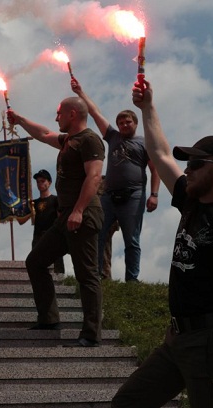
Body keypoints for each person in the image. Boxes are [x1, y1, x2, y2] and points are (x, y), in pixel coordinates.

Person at [110, 79, 213, 408]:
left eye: (195, 163)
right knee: (127, 406)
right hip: (177, 340)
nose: (187, 169)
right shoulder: (192, 201)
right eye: (187, 163)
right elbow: (160, 154)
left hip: (211, 342)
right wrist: (147, 108)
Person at [7, 97, 105, 347]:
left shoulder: (90, 140)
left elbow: (94, 177)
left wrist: (79, 211)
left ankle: (91, 334)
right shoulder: (68, 140)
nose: (56, 117)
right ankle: (49, 318)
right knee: (36, 262)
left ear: (72, 114)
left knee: (86, 275)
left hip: (83, 214)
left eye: (59, 113)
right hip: (66, 216)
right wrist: (19, 120)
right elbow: (44, 133)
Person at [72, 78, 160, 282]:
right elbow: (95, 113)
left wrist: (154, 195)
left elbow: (156, 170)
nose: (123, 125)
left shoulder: (144, 143)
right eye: (120, 123)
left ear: (135, 123)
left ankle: (132, 279)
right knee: (98, 234)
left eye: (127, 122)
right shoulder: (113, 137)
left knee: (131, 239)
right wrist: (80, 92)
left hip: (134, 195)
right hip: (109, 195)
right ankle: (96, 276)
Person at [17, 169, 65, 274]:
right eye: (38, 181)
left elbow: (61, 218)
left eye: (42, 181)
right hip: (38, 236)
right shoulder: (33, 203)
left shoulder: (55, 200)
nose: (40, 184)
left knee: (57, 266)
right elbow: (21, 221)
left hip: (53, 235)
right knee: (36, 264)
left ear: (49, 182)